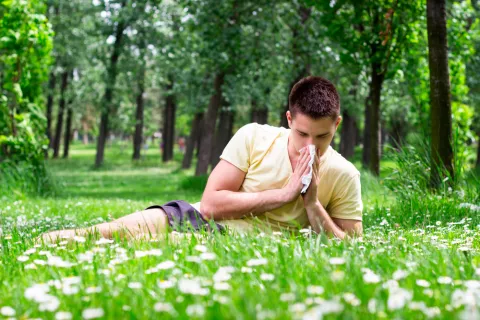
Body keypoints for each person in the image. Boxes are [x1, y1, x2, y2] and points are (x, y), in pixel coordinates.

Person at [41, 76, 362, 242]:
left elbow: (350, 246)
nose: (311, 146)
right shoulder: (254, 136)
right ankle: (60, 238)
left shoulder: (344, 175)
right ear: (290, 119)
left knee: (141, 248)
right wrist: (284, 194)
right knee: (108, 233)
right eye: (303, 134)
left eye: (322, 137)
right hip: (201, 219)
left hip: (241, 243)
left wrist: (311, 204)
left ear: (336, 125)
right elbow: (210, 204)